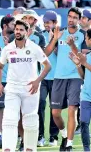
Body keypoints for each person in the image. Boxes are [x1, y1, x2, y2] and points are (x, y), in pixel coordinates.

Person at [0, 20, 51, 152]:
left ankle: (29, 149)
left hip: (30, 89)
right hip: (12, 89)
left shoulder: (34, 47)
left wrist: (38, 80)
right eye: (16, 29)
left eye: (21, 30)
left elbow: (47, 65)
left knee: (30, 120)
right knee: (9, 119)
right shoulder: (8, 48)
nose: (18, 32)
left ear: (28, 32)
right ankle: (8, 148)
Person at [45, 7, 88, 151]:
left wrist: (72, 45)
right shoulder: (60, 32)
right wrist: (55, 39)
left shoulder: (83, 35)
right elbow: (46, 52)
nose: (71, 19)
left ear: (80, 20)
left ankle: (69, 144)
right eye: (69, 16)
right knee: (55, 113)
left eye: (75, 17)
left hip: (76, 76)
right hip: (59, 77)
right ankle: (64, 135)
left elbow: (82, 58)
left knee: (72, 110)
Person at [0, 15, 16, 148]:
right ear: (5, 26)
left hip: (14, 80)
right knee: (0, 107)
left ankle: (16, 135)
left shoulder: (17, 39)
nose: (15, 27)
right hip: (1, 80)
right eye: (13, 24)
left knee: (15, 108)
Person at [37, 10, 60, 147]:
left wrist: (54, 40)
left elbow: (59, 54)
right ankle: (40, 135)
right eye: (45, 22)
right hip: (43, 76)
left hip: (57, 77)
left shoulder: (60, 36)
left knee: (54, 108)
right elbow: (42, 54)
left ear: (55, 23)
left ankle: (53, 136)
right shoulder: (40, 36)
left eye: (48, 23)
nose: (46, 25)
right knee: (40, 104)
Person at [69, 29, 91, 152]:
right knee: (83, 122)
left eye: (87, 38)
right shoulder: (86, 57)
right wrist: (78, 64)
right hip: (86, 96)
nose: (85, 40)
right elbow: (83, 76)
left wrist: (84, 63)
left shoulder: (86, 58)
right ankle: (86, 149)